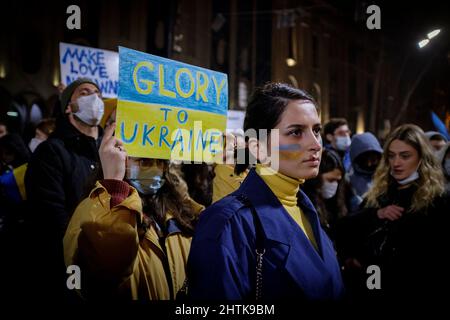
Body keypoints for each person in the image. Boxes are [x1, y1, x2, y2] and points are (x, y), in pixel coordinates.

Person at [187, 83, 344, 300]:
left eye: (316, 130)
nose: (316, 144)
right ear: (256, 147)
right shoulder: (227, 223)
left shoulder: (305, 207)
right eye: (296, 132)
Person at [64, 123, 204, 299]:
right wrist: (114, 186)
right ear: (121, 159)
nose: (154, 169)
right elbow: (94, 279)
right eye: (144, 161)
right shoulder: (92, 209)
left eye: (160, 161)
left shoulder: (180, 211)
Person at [338, 124, 449, 301]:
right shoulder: (378, 194)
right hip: (369, 287)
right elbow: (345, 230)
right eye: (391, 156)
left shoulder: (437, 200)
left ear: (422, 157)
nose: (396, 163)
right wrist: (375, 215)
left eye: (405, 156)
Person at [24, 77, 105, 300]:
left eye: (98, 93)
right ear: (69, 106)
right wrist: (82, 256)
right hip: (70, 261)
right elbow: (50, 217)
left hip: (103, 259)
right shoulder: (51, 152)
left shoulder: (104, 153)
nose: (95, 98)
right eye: (85, 93)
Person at [302, 150, 349, 238]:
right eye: (330, 180)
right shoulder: (305, 204)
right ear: (316, 177)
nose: (335, 185)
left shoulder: (338, 202)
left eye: (337, 181)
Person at [347, 132, 383, 199]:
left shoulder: (386, 176)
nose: (369, 164)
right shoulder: (348, 179)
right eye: (363, 161)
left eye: (373, 160)